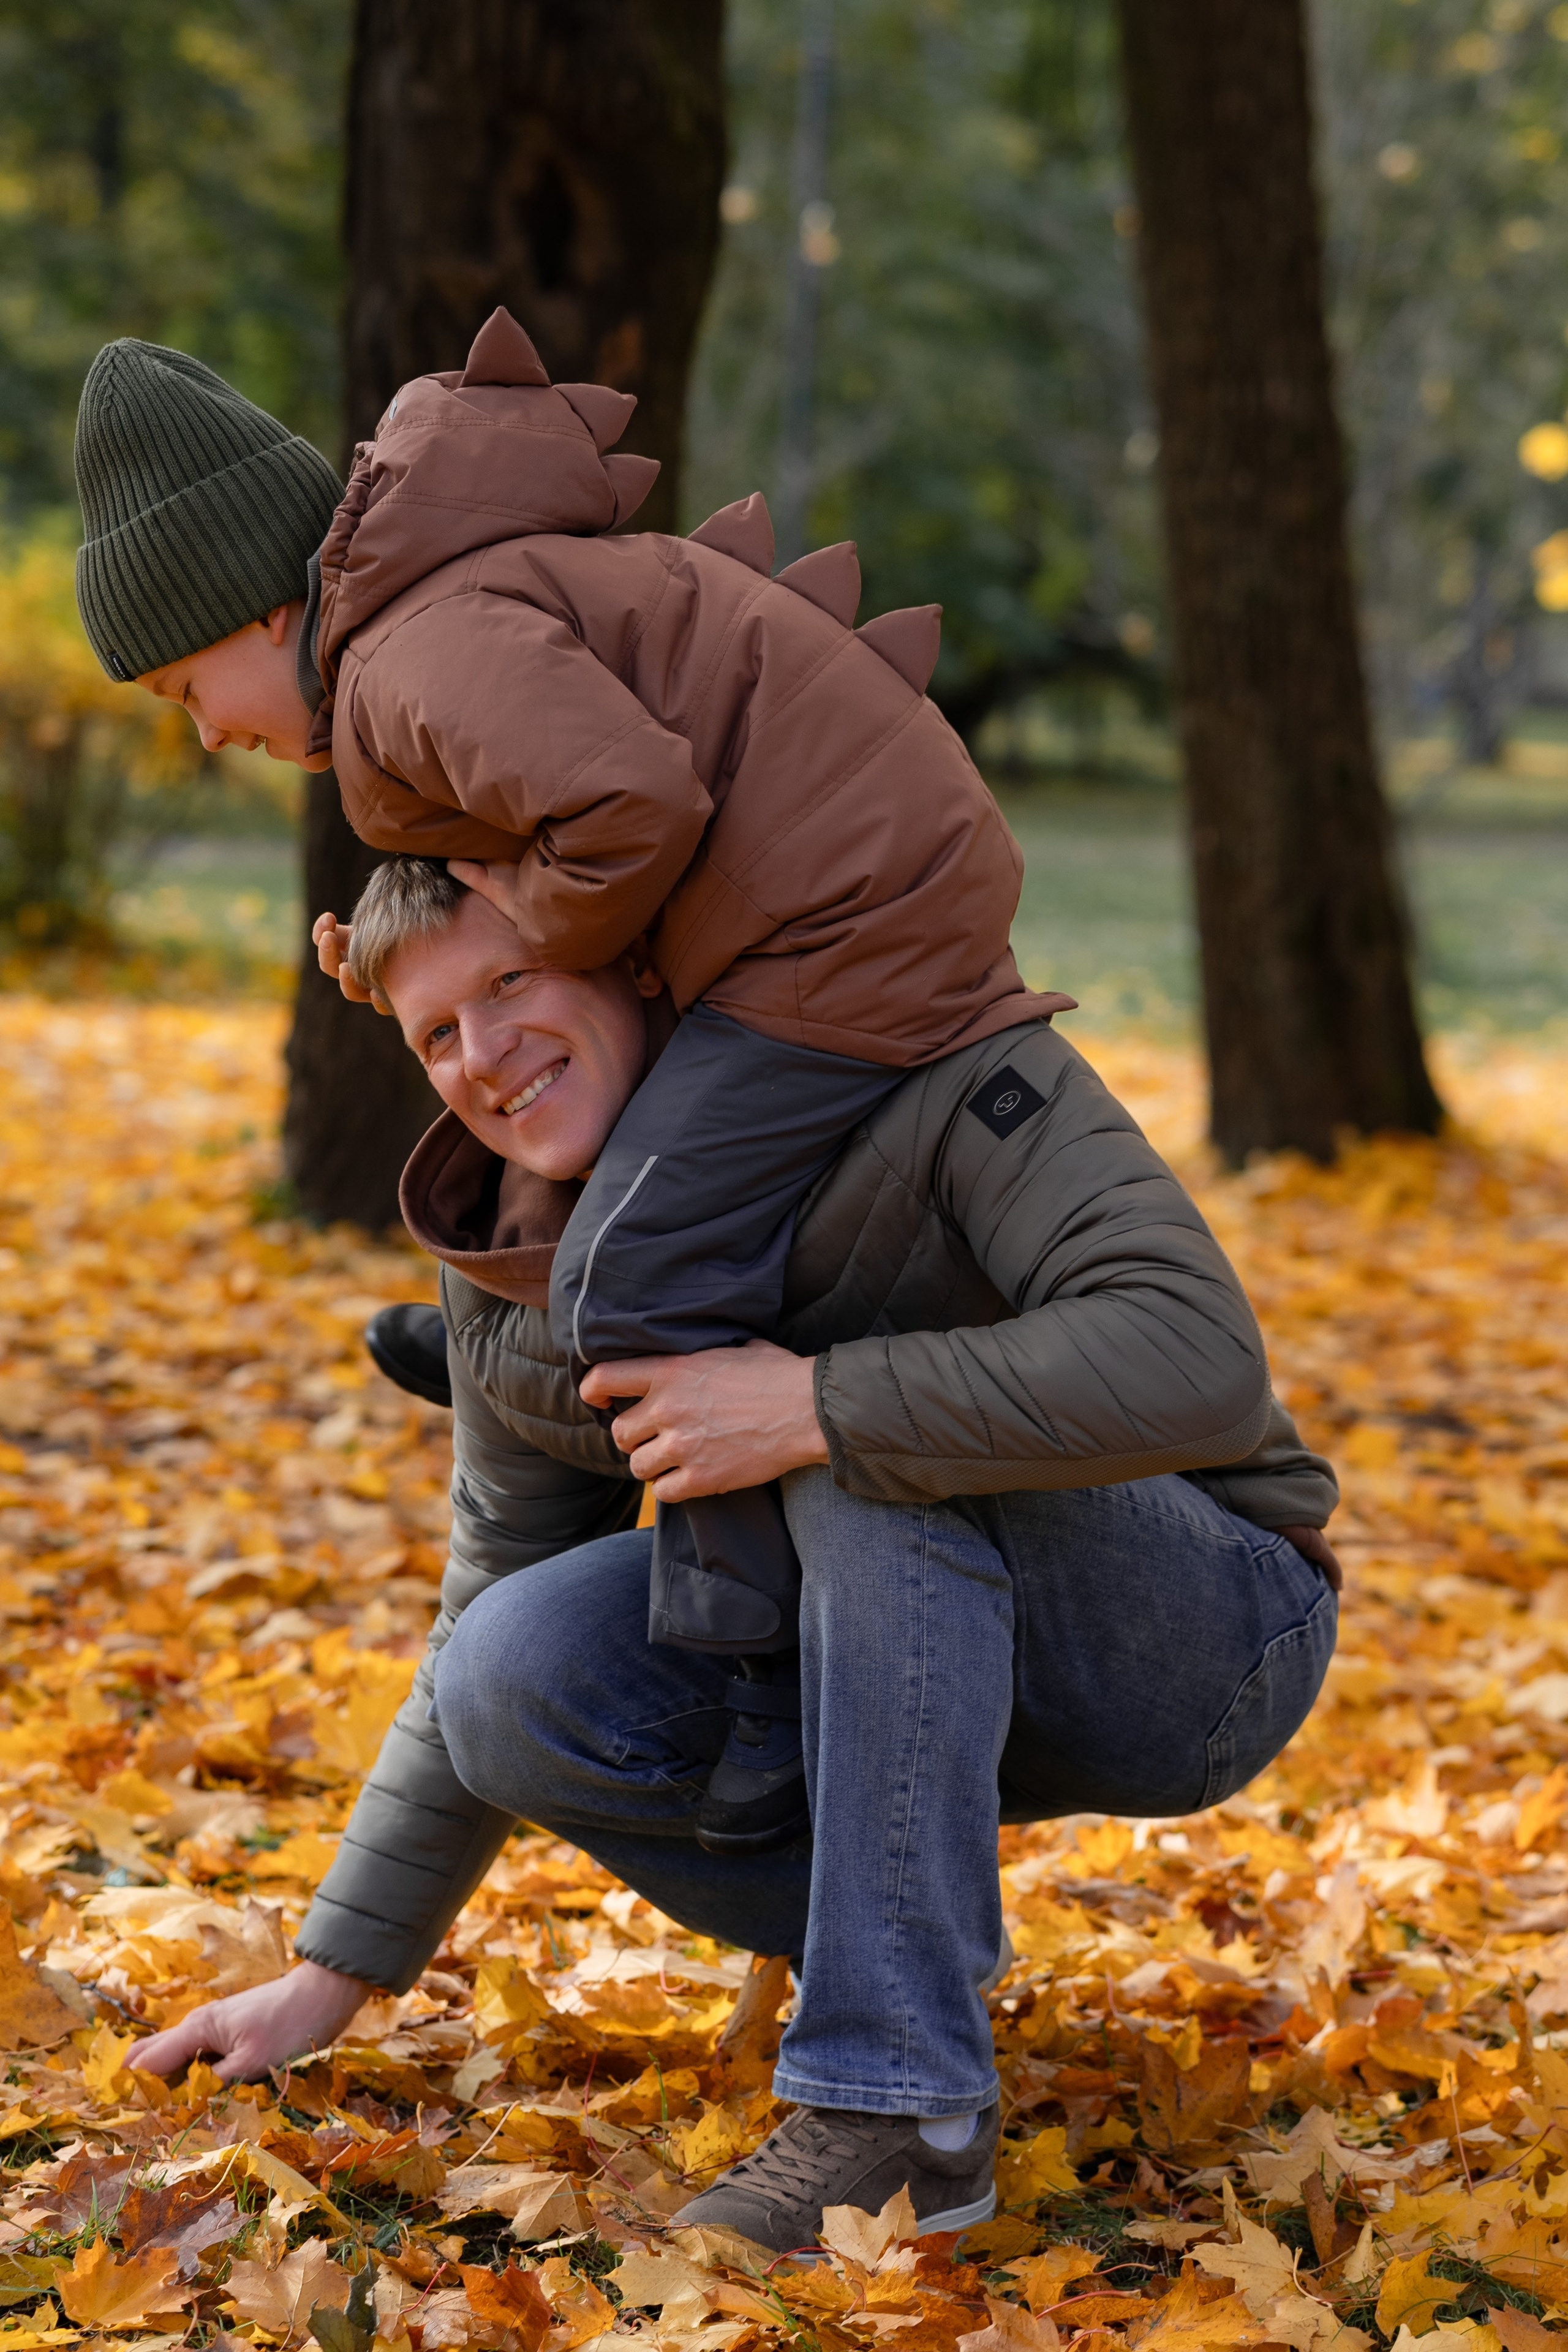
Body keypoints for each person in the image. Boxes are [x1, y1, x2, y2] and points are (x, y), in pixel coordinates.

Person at [134, 860, 1341, 2251]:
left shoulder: (913, 1053)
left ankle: (904, 2115)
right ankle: (908, 1959)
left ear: (629, 962)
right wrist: (331, 1973)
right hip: (906, 1656)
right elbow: (481, 1604)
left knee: (842, 1446)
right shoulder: (507, 1257)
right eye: (435, 1033)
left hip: (1197, 1629)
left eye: (509, 983)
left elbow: (1196, 1359)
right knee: (505, 1672)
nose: (483, 1055)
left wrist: (811, 1405)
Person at [72, 314, 1076, 1855]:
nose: (204, 731)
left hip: (843, 922)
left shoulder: (409, 661)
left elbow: (630, 804)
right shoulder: (415, 652)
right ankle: (532, 1345)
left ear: (261, 612)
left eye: (187, 689)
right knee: (625, 1173)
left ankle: (746, 1661)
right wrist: (385, 954)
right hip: (820, 894)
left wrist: (540, 929)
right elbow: (505, 862)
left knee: (640, 1248)